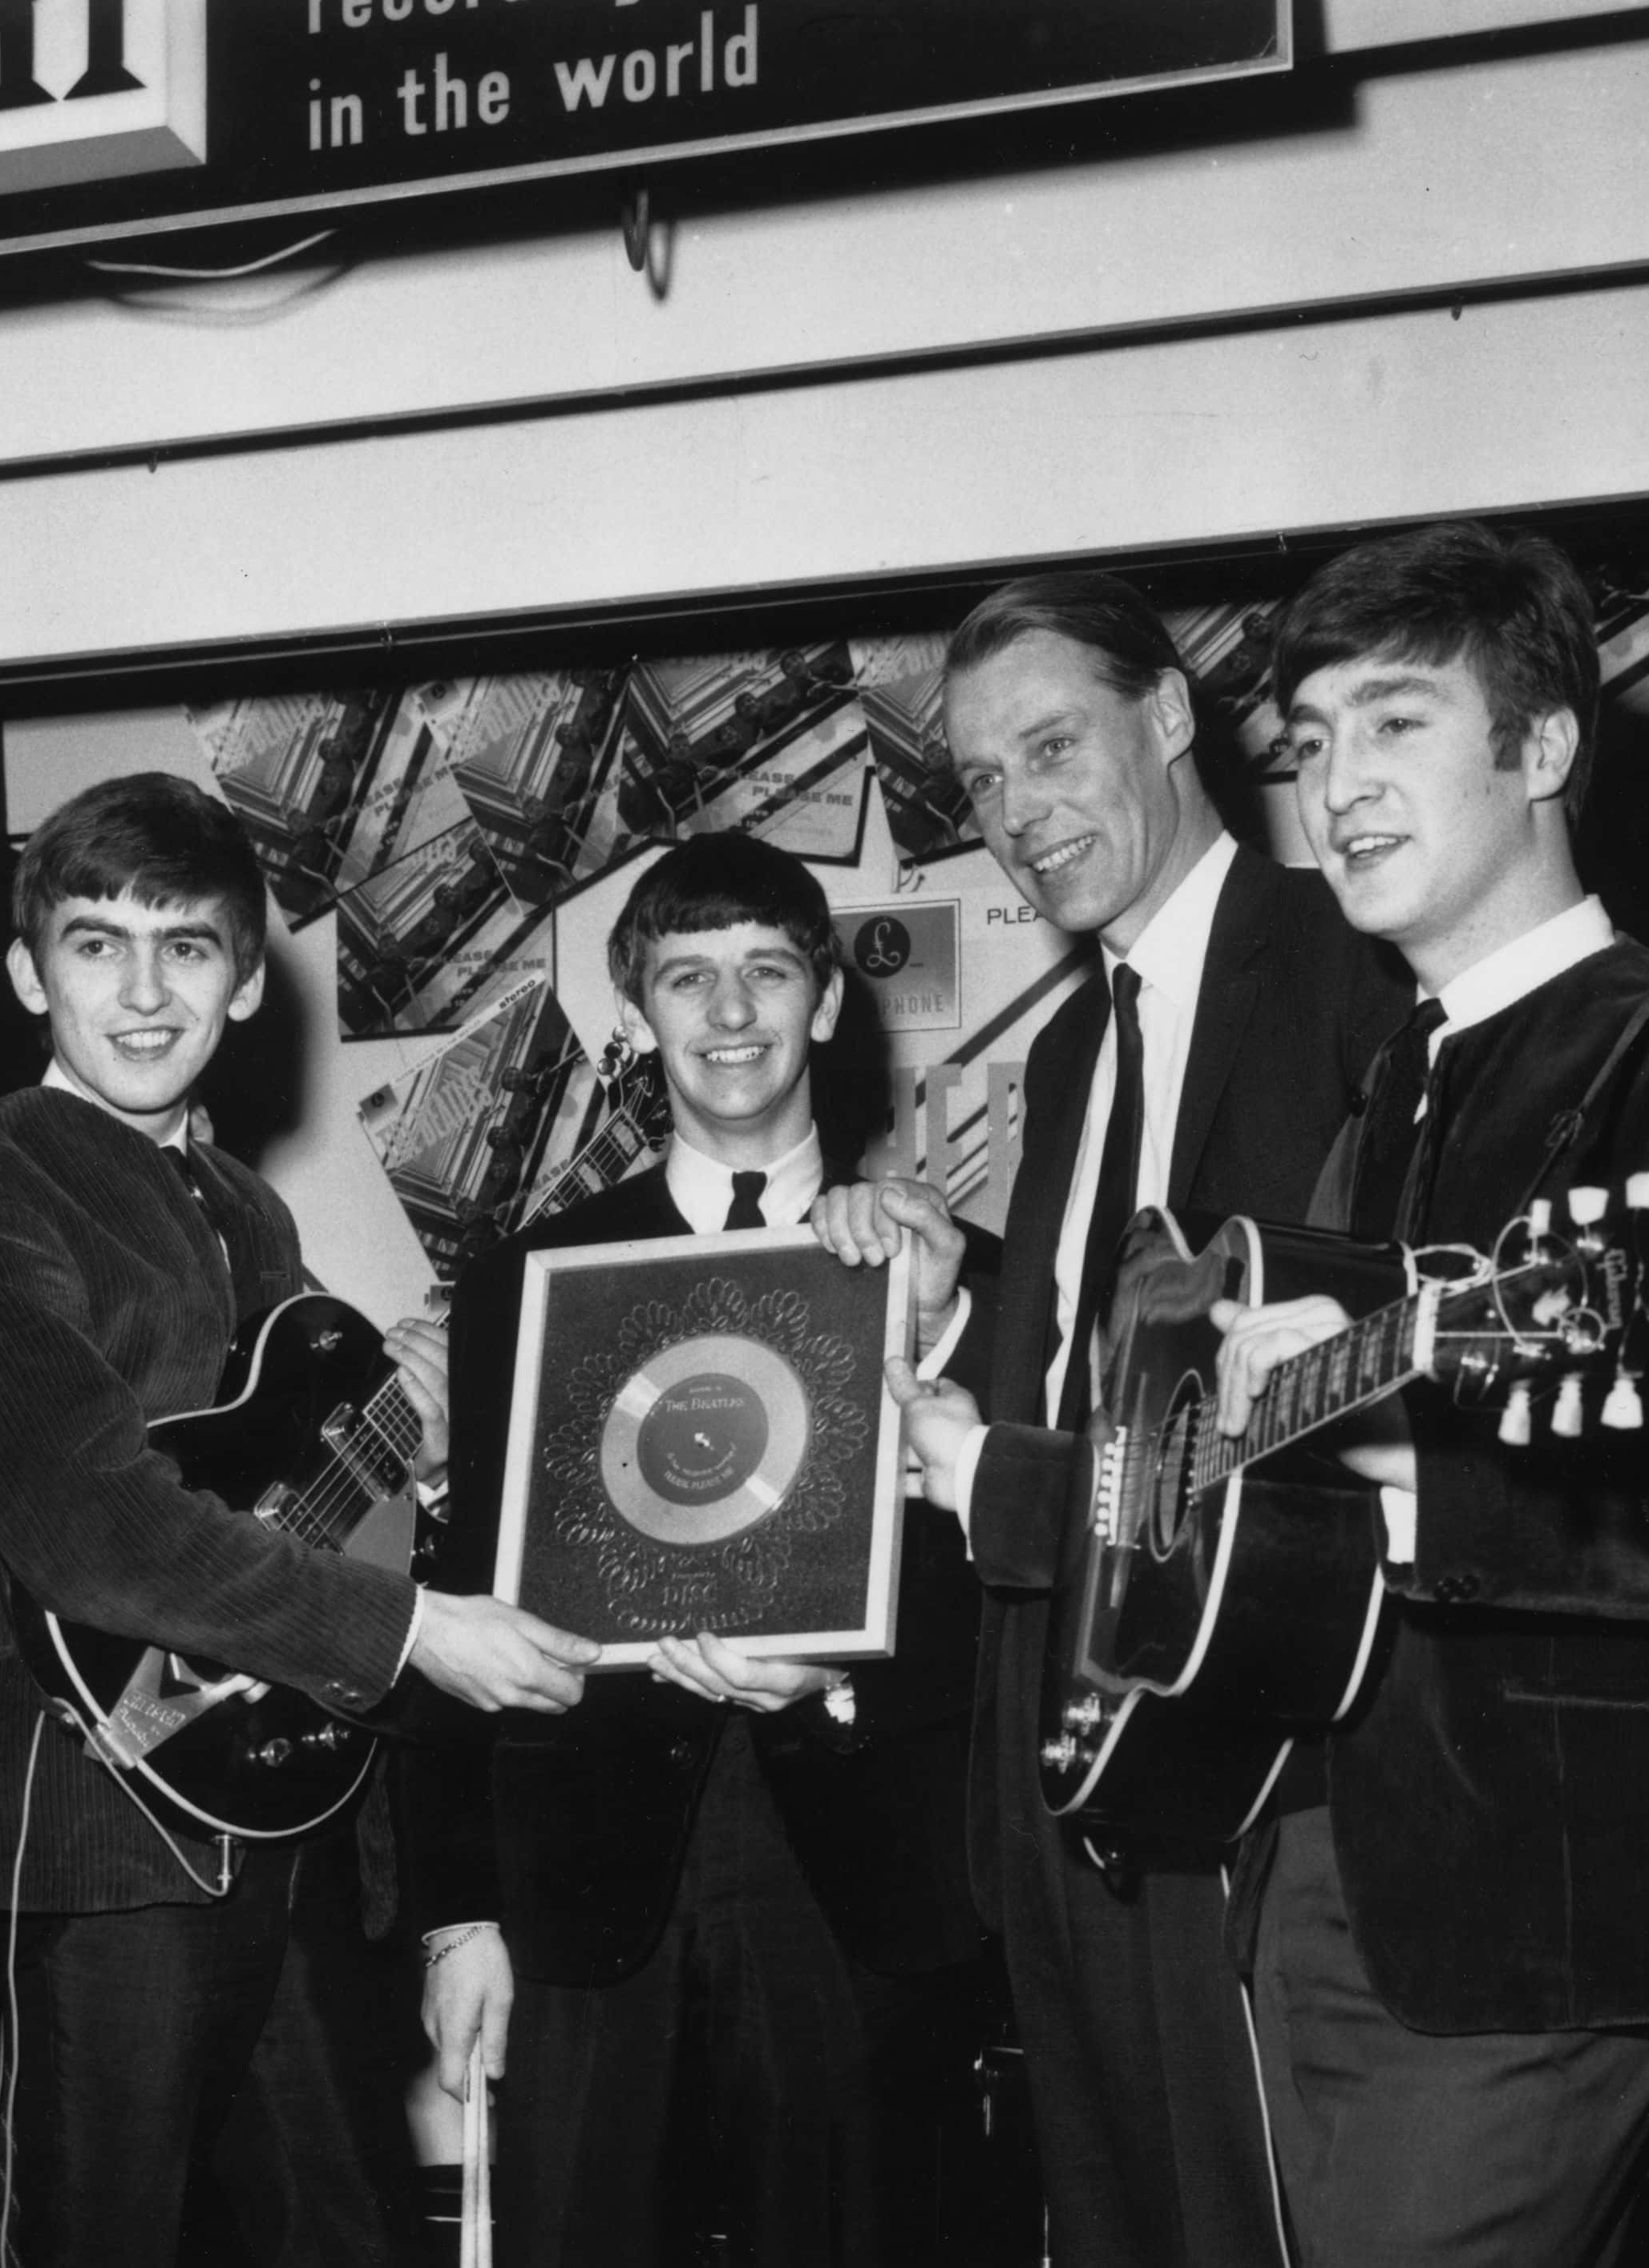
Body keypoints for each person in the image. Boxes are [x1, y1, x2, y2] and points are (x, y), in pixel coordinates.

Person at [1206, 521, 1649, 2264]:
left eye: (1392, 724)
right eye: (1309, 743)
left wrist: (1401, 1465)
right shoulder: (1380, 1108)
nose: (1335, 785)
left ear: (1542, 747)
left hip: (1559, 1910)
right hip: (1318, 1881)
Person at [0, 772, 597, 2268]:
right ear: (29, 972)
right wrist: (410, 1627)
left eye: (188, 946)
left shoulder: (238, 1203)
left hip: (271, 1799)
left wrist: (421, 1441)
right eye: (96, 943)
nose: (144, 992)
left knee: (336, 2226)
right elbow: (93, 1526)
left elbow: (299, 1494)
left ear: (243, 979)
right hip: (94, 1825)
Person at [834, 574, 1409, 2268]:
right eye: (983, 783)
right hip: (1060, 1751)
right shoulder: (1083, 1041)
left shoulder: (1348, 967)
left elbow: (1354, 1367)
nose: (1015, 811)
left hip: (1241, 1758)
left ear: (1169, 719)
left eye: (1050, 747)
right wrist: (955, 1305)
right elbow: (1105, 1358)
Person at [398, 830, 992, 2268]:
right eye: (688, 978)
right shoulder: (521, 1287)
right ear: (637, 1012)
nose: (730, 1016)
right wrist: (455, 1916)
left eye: (767, 972)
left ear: (829, 1003)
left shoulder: (950, 1266)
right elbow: (450, 1598)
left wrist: (926, 1335)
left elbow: (1009, 1594)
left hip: (850, 1876)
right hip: (584, 1885)